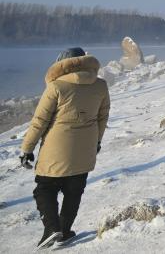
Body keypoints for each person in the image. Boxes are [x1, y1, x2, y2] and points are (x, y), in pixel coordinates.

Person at [20, 48, 110, 248]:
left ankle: (52, 228)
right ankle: (65, 230)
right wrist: (96, 142)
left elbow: (39, 121)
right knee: (74, 190)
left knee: (44, 189)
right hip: (86, 149)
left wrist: (27, 148)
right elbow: (102, 118)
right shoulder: (101, 85)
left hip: (56, 150)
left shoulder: (56, 87)